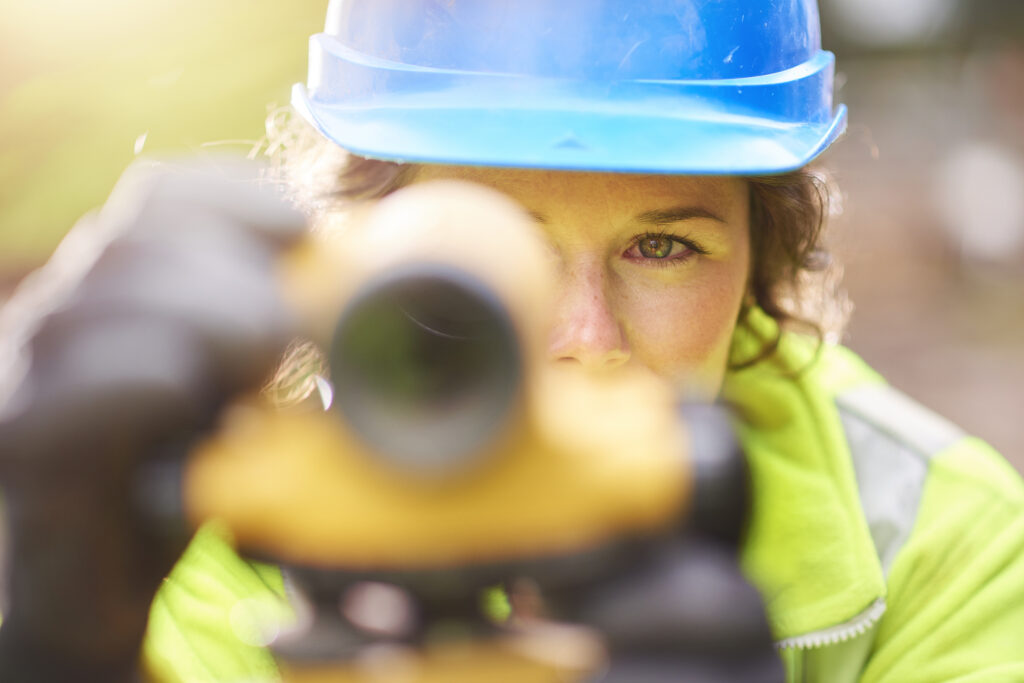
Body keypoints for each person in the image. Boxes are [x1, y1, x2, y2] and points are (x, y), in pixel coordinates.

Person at [1, 1, 1022, 682]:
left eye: (663, 246)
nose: (583, 337)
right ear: (344, 244)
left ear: (762, 262)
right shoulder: (180, 522)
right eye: (493, 252)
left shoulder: (949, 548)